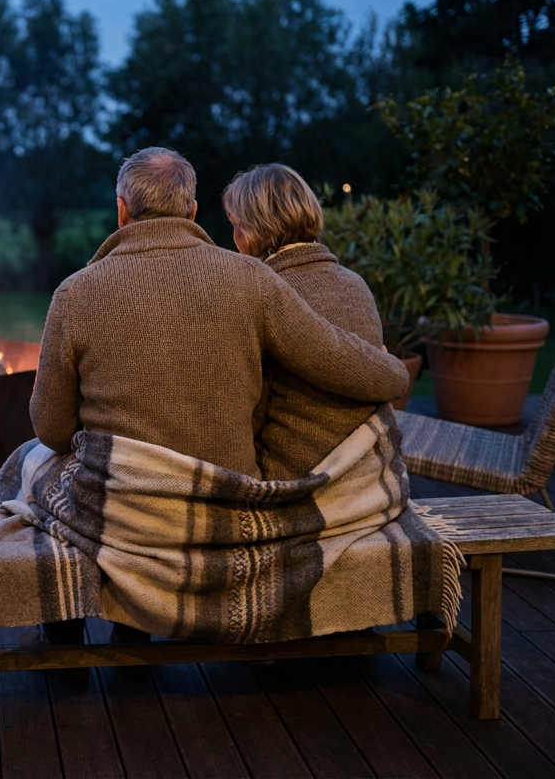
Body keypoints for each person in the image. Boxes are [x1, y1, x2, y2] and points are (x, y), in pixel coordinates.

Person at [28, 147, 407, 656]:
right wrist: (394, 369)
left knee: (30, 465)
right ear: (191, 210)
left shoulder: (74, 293)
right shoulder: (252, 280)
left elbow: (51, 429)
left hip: (126, 513)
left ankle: (69, 627)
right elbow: (334, 355)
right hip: (225, 502)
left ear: (121, 211)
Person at [223, 163, 383, 480]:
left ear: (250, 230)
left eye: (235, 225)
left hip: (294, 481)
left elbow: (244, 415)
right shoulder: (355, 284)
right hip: (367, 473)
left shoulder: (259, 296)